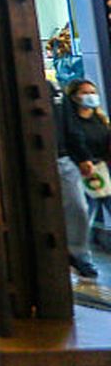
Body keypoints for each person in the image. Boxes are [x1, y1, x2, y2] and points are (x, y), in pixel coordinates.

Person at [58, 77, 111, 278]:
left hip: (101, 171)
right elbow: (72, 141)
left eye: (92, 92)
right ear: (73, 97)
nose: (90, 96)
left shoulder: (100, 119)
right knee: (82, 214)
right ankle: (80, 257)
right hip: (79, 171)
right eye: (84, 92)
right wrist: (82, 159)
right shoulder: (70, 122)